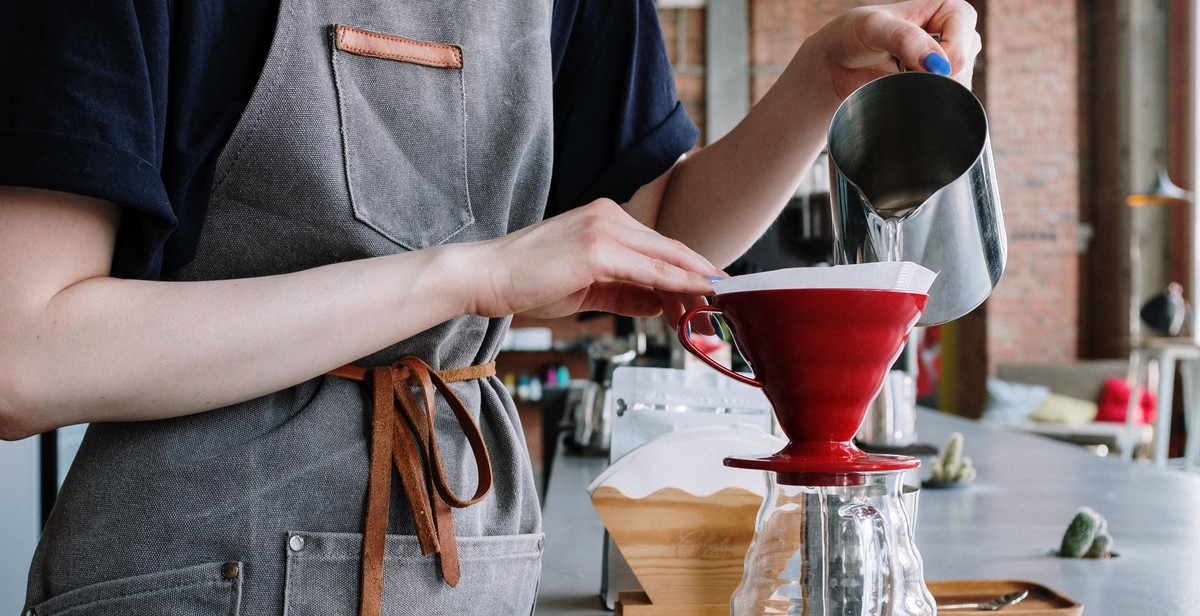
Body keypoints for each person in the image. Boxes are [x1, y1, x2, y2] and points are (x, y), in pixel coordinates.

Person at [0, 0, 980, 614]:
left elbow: (660, 227)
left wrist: (818, 82)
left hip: (468, 552)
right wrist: (471, 276)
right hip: (197, 561)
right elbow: (27, 356)